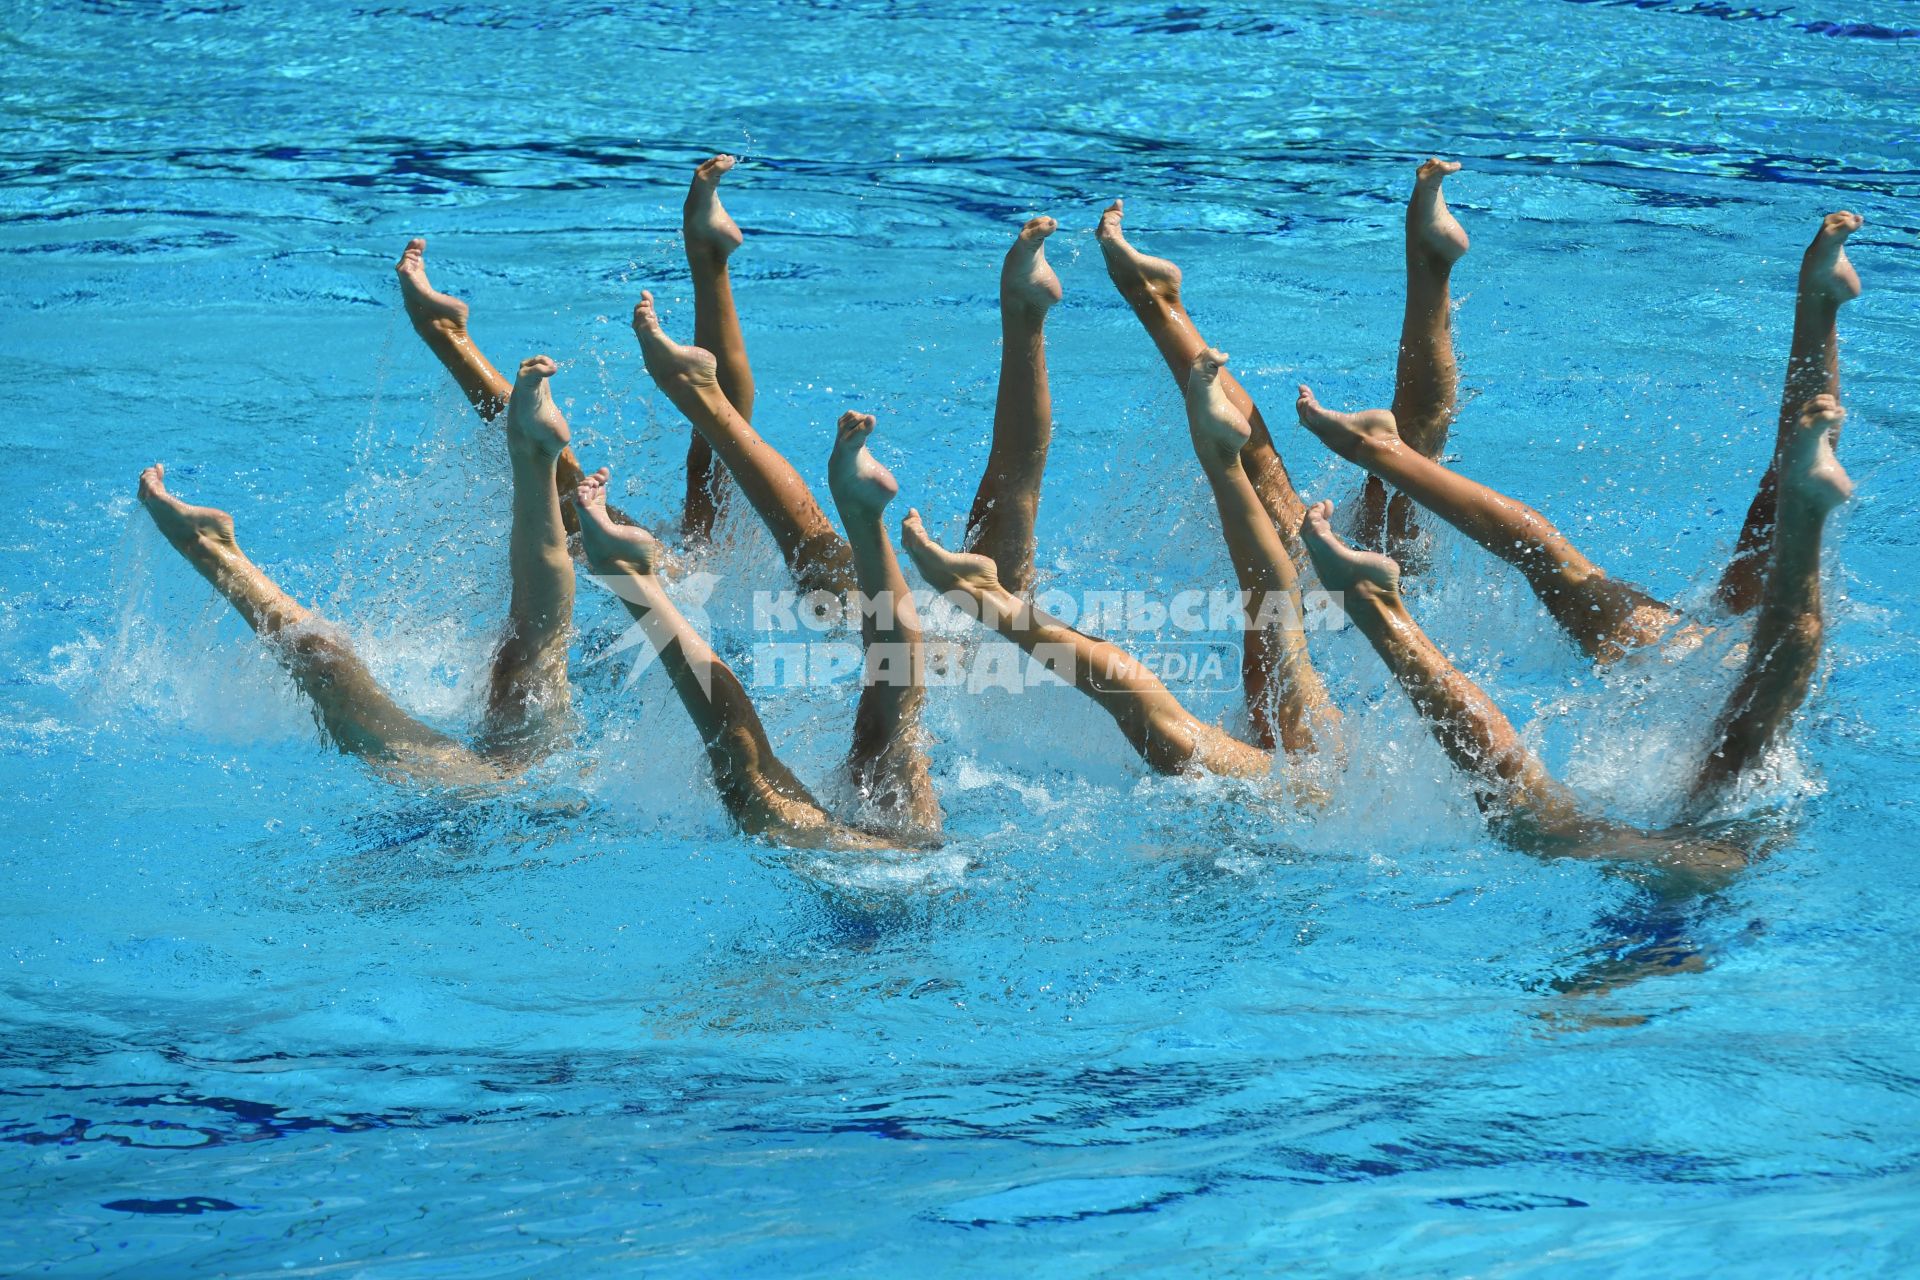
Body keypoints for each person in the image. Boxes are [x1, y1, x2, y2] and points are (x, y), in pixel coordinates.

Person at [1291, 392, 1852, 882]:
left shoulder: (1710, 631)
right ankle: (1378, 606)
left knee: (1565, 570)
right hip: (1709, 828)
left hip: (1692, 732)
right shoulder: (1720, 650)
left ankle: (1384, 454)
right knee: (1532, 814)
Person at [1292, 211, 1864, 664]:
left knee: (1779, 509)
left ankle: (1819, 306)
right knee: (1777, 517)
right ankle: (1419, 305)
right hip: (1712, 668)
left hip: (1709, 666)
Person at [134, 355, 582, 785]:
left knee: (529, 647)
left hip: (511, 778)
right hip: (506, 791)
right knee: (518, 652)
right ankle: (212, 553)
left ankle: (533, 456)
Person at [571, 410, 939, 848]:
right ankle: (631, 581)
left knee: (885, 733)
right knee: (769, 778)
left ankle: (864, 519)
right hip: (908, 868)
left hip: (906, 864)